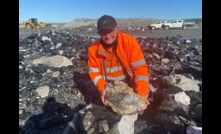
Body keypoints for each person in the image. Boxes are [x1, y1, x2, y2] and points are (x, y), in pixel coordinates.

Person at [87, 15, 150, 112]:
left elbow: (140, 69)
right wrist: (102, 88)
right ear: (99, 33)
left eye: (110, 31)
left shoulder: (130, 42)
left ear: (117, 29)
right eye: (103, 32)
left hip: (129, 83)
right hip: (109, 87)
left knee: (141, 105)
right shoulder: (92, 49)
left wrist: (141, 93)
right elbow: (94, 73)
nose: (107, 36)